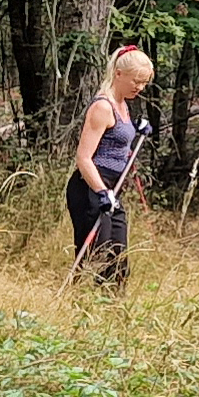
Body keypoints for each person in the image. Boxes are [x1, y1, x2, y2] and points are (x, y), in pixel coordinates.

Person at [67, 47, 154, 288]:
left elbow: (116, 141)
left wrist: (136, 129)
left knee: (119, 254)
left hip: (112, 189)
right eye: (136, 81)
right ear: (118, 74)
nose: (140, 87)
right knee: (99, 252)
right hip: (91, 187)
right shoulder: (102, 107)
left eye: (144, 83)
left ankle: (112, 307)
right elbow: (83, 158)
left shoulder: (123, 105)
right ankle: (82, 302)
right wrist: (101, 192)